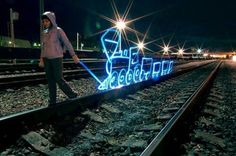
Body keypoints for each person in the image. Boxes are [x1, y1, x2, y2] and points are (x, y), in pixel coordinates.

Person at [39, 11, 79, 105]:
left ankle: (71, 94)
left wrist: (73, 55)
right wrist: (41, 59)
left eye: (47, 21)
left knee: (58, 78)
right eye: (44, 21)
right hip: (47, 59)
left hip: (57, 58)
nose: (45, 23)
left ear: (52, 21)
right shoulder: (44, 32)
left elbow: (67, 42)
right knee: (50, 80)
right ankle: (52, 100)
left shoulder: (58, 30)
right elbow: (43, 47)